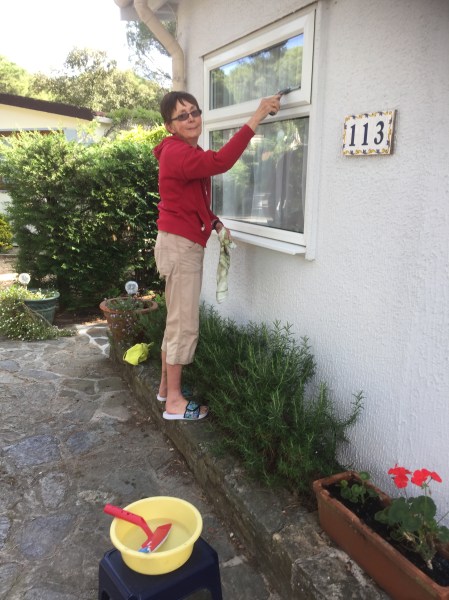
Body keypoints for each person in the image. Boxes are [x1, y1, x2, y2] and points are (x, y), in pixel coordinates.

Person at [153, 90, 281, 420]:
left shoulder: (183, 151)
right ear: (170, 126)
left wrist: (214, 222)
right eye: (182, 115)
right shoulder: (178, 152)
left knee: (176, 320)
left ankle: (166, 389)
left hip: (178, 242)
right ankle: (174, 403)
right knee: (184, 324)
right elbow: (221, 162)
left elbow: (189, 200)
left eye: (194, 112)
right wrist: (257, 116)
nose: (192, 118)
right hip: (181, 247)